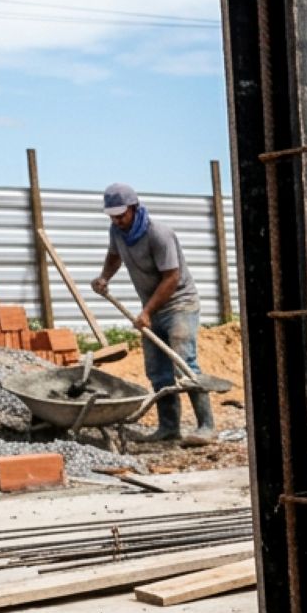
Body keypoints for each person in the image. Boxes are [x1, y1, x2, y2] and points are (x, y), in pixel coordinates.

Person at [93, 183, 215, 446]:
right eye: (112, 216)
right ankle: (169, 428)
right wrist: (104, 277)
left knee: (185, 365)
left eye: (121, 215)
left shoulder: (159, 234)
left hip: (179, 305)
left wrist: (147, 311)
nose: (117, 220)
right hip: (152, 308)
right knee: (158, 371)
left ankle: (207, 426)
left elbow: (172, 278)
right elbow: (114, 256)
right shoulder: (117, 231)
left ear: (134, 208)